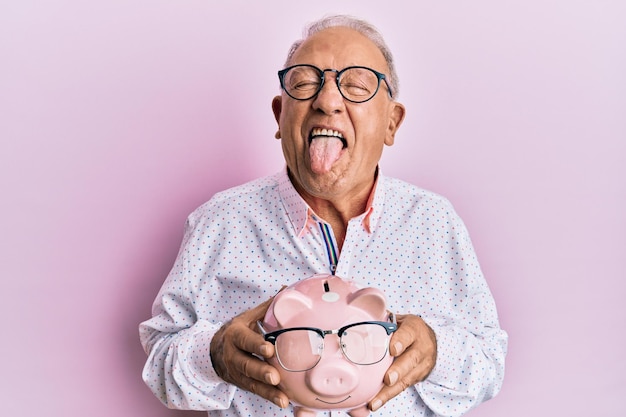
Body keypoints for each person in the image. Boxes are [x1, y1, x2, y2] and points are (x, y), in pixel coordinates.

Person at [139, 14, 508, 417]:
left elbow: (490, 360)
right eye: (304, 83)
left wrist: (437, 350)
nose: (327, 101)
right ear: (280, 115)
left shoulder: (433, 222)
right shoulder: (221, 222)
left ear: (391, 122)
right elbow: (160, 357)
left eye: (356, 85)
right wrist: (213, 354)